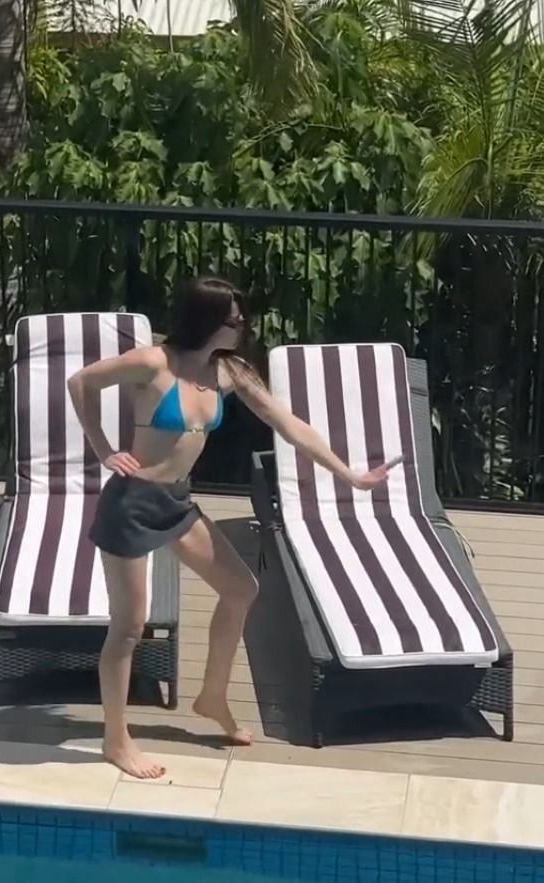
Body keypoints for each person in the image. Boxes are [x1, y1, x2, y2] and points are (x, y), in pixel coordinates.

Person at [67, 276, 398, 780]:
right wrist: (103, 449)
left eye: (242, 319)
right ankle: (116, 739)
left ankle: (212, 696)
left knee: (241, 588)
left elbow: (289, 424)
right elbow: (81, 382)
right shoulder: (154, 362)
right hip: (131, 505)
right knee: (129, 628)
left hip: (177, 504)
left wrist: (351, 475)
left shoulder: (230, 372)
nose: (242, 327)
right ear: (207, 320)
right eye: (233, 320)